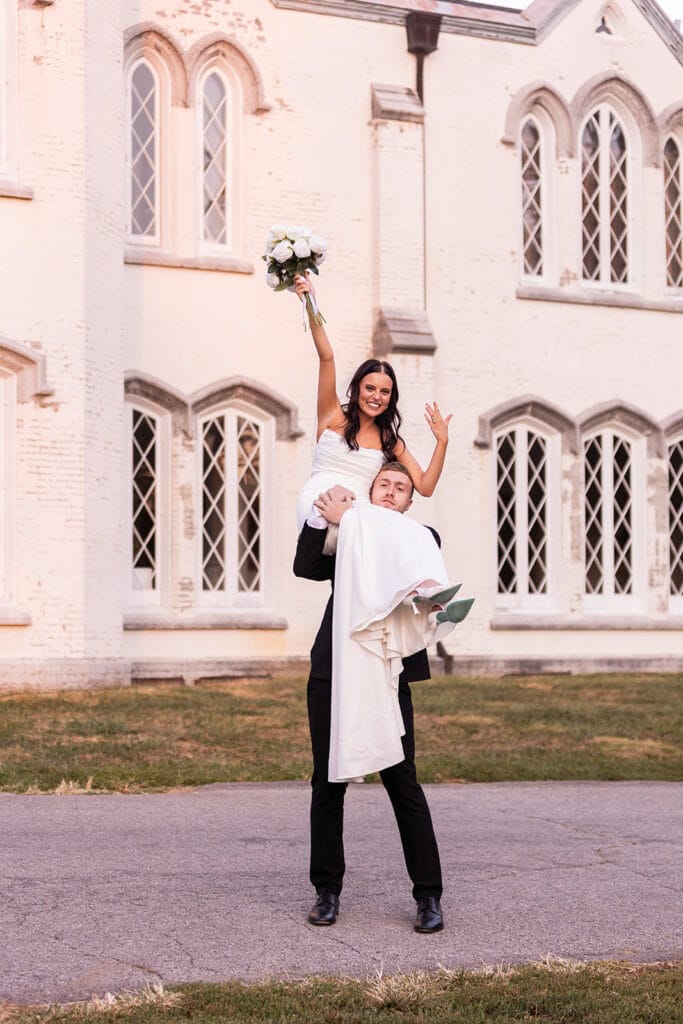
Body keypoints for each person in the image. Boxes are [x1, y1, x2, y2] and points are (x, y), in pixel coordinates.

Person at [293, 273, 472, 784]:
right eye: (370, 388)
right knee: (354, 510)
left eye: (384, 391)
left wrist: (441, 441)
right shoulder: (332, 416)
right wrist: (309, 301)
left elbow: (425, 487)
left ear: (391, 398)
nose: (375, 396)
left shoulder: (390, 440)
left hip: (360, 522)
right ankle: (415, 595)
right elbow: (325, 355)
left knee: (410, 534)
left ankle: (432, 598)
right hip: (327, 502)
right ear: (358, 389)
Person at [294, 461, 449, 934]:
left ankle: (429, 897)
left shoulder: (421, 537)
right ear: (371, 490)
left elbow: (428, 599)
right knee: (329, 778)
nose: (391, 492)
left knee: (403, 781)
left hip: (388, 668)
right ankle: (327, 891)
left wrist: (439, 602)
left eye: (401, 488)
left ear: (409, 501)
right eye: (384, 484)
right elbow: (306, 567)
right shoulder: (348, 529)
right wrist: (327, 519)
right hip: (335, 666)